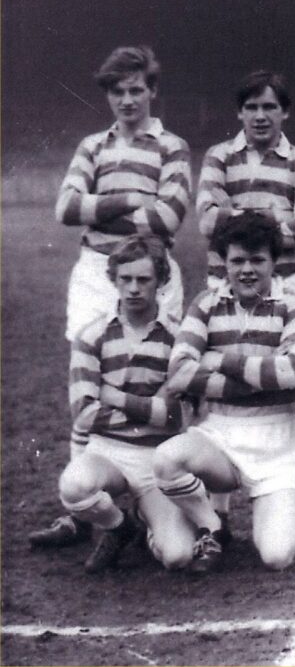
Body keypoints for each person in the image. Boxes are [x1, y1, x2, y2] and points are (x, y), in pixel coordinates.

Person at [36, 45, 191, 551]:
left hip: (154, 273)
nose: (128, 100)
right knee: (85, 378)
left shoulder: (173, 148)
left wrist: (97, 207)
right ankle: (82, 515)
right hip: (94, 272)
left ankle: (166, 494)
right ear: (108, 95)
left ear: (152, 90)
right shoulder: (92, 147)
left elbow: (167, 220)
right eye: (118, 92)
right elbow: (65, 207)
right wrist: (130, 200)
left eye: (136, 90)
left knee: (163, 378)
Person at [153, 212, 295, 572]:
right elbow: (179, 372)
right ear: (223, 262)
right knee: (166, 460)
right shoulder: (206, 304)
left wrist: (219, 359)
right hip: (220, 434)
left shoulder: (293, 306)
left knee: (277, 556)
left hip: (279, 442)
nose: (247, 270)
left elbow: (291, 372)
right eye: (237, 260)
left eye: (258, 260)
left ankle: (290, 515)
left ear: (274, 262)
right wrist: (256, 379)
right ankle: (212, 524)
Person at [53, 235, 194, 572]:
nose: (133, 288)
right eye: (125, 279)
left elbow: (175, 417)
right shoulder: (92, 335)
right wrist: (151, 410)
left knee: (178, 556)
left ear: (160, 280)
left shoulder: (180, 337)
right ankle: (120, 527)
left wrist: (114, 397)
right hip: (107, 452)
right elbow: (84, 415)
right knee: (74, 486)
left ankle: (145, 517)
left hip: (157, 458)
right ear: (113, 279)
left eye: (143, 279)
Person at [196, 70, 295, 305]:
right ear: (239, 111)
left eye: (269, 107)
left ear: (285, 111)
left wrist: (232, 213)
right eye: (252, 107)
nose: (260, 116)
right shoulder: (219, 156)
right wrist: (276, 217)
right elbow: (207, 223)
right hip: (226, 279)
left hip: (287, 281)